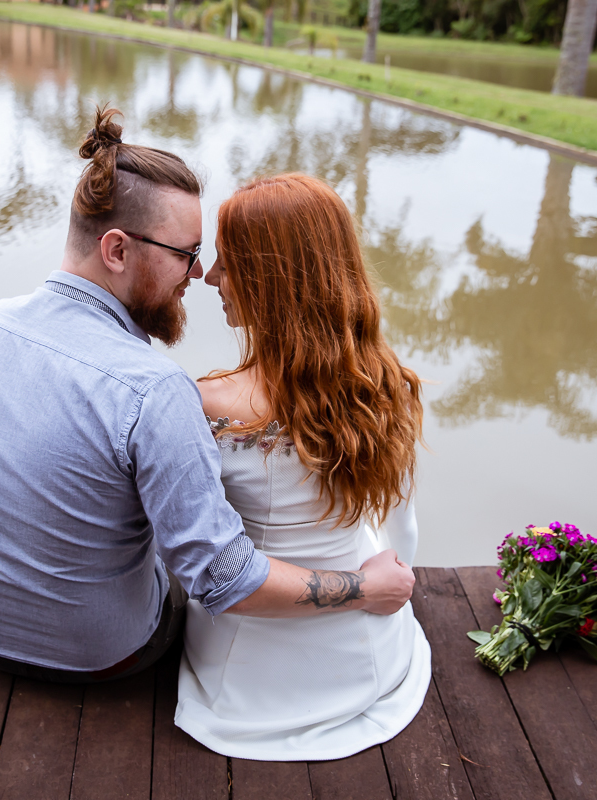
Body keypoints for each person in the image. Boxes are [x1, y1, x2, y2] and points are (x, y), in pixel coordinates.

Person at [0, 107, 417, 684]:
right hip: (102, 656)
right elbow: (223, 579)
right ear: (116, 251)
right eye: (186, 254)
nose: (198, 275)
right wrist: (365, 588)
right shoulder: (153, 388)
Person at [175, 173, 432, 760]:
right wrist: (385, 589)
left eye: (226, 262)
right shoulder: (386, 384)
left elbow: (194, 552)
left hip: (249, 670)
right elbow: (400, 531)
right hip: (365, 651)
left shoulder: (206, 401)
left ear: (270, 279)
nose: (210, 277)